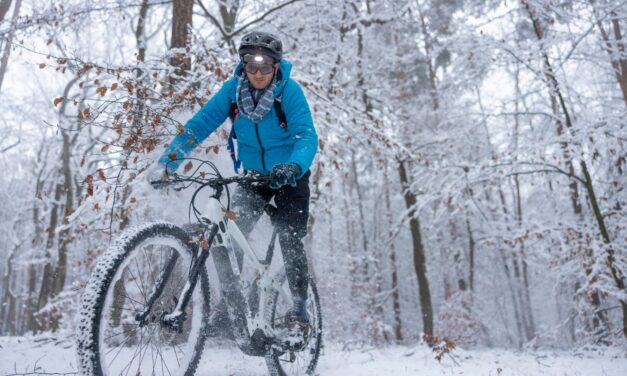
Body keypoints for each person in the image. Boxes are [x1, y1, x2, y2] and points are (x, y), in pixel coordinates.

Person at [149, 31, 318, 348]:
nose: (257, 73)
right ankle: (231, 309)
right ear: (242, 65)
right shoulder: (232, 92)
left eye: (265, 66)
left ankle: (298, 312)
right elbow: (199, 125)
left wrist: (293, 166)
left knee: (290, 237)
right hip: (253, 177)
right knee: (230, 234)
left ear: (276, 67)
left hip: (290, 177)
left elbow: (307, 136)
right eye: (251, 65)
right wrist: (168, 162)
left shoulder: (289, 93)